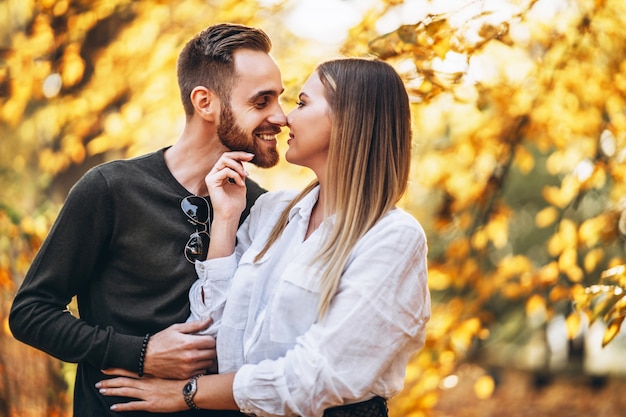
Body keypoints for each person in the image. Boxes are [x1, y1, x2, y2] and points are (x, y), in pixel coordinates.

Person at [97, 58, 430, 416]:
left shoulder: (392, 238)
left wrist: (188, 393)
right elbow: (211, 330)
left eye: (301, 103)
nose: (286, 118)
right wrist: (225, 220)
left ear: (349, 120)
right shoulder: (273, 211)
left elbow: (315, 378)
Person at [9, 23, 286, 416]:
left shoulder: (260, 209)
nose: (282, 116)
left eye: (280, 99)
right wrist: (140, 353)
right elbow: (31, 313)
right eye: (262, 102)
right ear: (205, 102)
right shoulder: (111, 189)